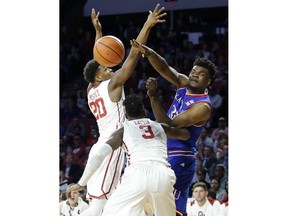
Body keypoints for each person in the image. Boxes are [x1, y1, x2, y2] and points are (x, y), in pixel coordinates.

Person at [65, 5, 167, 216]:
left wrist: (98, 34)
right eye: (105, 68)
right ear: (99, 77)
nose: (110, 68)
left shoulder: (90, 88)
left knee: (107, 202)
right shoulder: (112, 85)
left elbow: (97, 61)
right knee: (99, 205)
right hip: (112, 147)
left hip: (102, 143)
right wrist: (147, 25)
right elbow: (134, 56)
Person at [131, 40, 218, 216]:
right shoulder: (184, 84)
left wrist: (154, 97)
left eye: (200, 74)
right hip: (165, 151)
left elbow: (168, 125)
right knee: (155, 207)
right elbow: (165, 69)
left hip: (181, 157)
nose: (194, 75)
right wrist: (149, 53)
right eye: (194, 71)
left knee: (168, 209)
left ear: (208, 82)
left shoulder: (203, 107)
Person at [69, 94, 190, 216]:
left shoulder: (123, 130)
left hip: (137, 174)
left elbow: (98, 156)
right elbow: (186, 134)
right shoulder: (160, 127)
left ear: (126, 116)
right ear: (144, 110)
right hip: (163, 174)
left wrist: (81, 183)